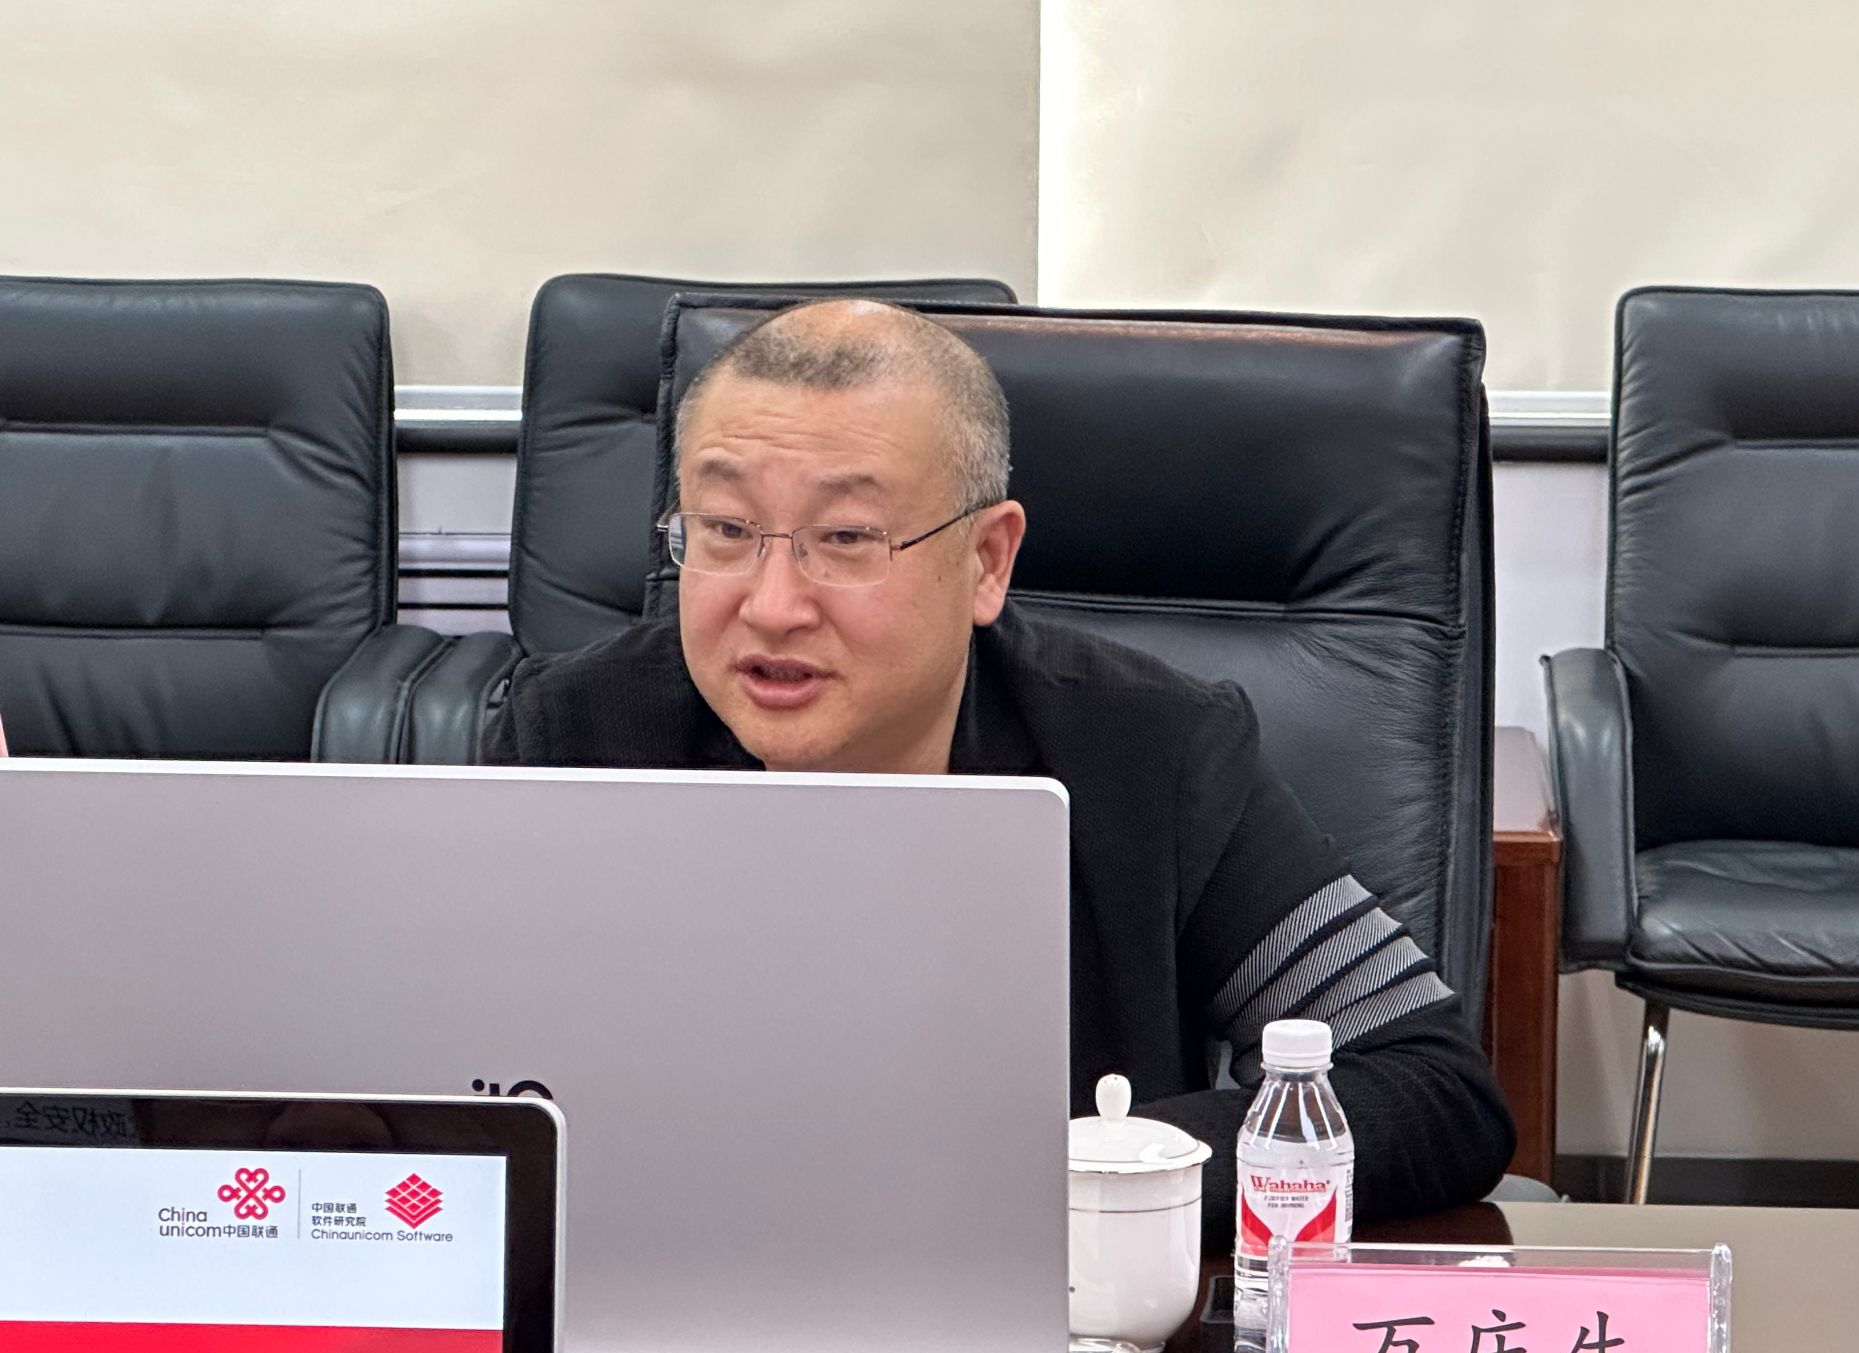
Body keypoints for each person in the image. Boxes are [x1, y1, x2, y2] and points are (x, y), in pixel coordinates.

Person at [483, 299, 1513, 1245]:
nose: (773, 605)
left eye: (845, 539)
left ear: (985, 562)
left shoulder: (1149, 752)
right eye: (725, 531)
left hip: (1043, 1343)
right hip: (672, 1325)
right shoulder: (569, 738)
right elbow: (448, 1100)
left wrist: (1085, 1180)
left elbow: (1426, 1084)